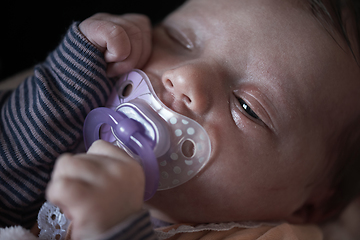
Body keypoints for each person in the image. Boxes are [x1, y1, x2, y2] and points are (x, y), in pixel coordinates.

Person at [0, 0, 360, 239]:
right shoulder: (71, 122)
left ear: (311, 204)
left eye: (248, 107)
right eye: (179, 39)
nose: (185, 76)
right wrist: (69, 80)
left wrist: (116, 227)